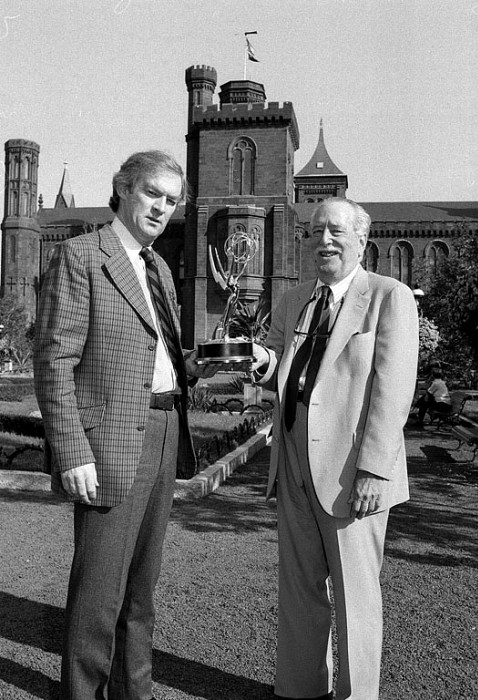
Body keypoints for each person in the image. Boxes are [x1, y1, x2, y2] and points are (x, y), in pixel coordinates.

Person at [33, 150, 224, 700]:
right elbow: (53, 362)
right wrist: (71, 453)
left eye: (171, 200)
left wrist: (199, 363)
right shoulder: (81, 256)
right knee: (99, 593)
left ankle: (133, 692)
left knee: (142, 590)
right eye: (152, 195)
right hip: (110, 440)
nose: (162, 208)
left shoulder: (157, 266)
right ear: (122, 190)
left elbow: (155, 354)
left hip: (165, 430)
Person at [252, 197, 419, 700]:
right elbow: (276, 360)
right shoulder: (295, 299)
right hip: (293, 459)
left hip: (352, 468)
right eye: (315, 230)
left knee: (356, 594)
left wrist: (374, 470)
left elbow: (393, 392)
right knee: (299, 589)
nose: (323, 239)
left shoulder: (389, 296)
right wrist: (255, 358)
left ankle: (356, 695)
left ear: (362, 242)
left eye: (336, 231)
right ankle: (301, 689)